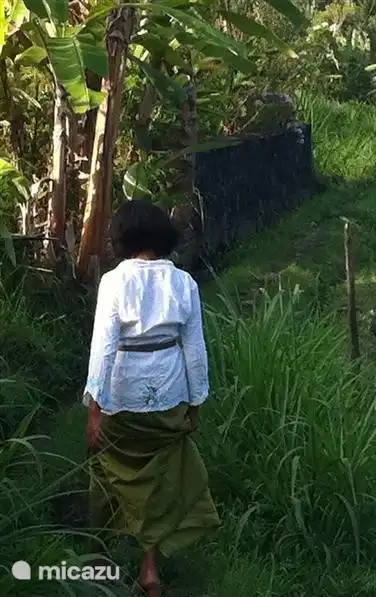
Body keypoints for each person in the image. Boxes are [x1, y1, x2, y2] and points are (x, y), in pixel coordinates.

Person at [83, 199, 220, 597]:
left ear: (121, 238)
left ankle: (101, 561)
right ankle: (150, 570)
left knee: (107, 471)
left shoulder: (114, 282)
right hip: (170, 398)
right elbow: (194, 349)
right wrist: (195, 403)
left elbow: (103, 348)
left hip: (121, 402)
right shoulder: (184, 283)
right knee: (160, 483)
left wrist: (95, 409)